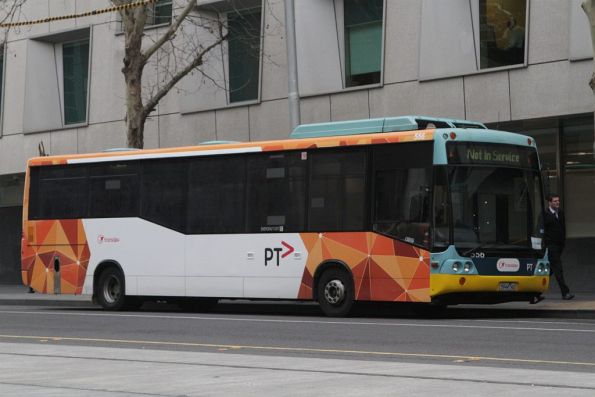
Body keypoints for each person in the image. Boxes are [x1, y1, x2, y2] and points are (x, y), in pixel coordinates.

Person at [543, 194, 574, 300]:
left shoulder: (560, 213)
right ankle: (565, 293)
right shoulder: (544, 214)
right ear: (550, 203)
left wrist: (563, 242)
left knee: (550, 270)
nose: (557, 203)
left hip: (559, 245)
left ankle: (534, 289)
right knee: (558, 268)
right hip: (551, 246)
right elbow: (540, 230)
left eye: (558, 201)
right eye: (555, 201)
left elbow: (563, 228)